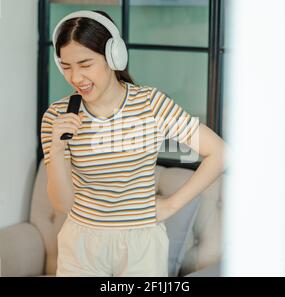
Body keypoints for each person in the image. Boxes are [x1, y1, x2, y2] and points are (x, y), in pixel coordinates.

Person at [40, 10, 226, 277]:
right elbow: (62, 204)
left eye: (85, 64)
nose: (76, 77)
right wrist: (57, 150)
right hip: (81, 244)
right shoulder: (57, 117)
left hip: (141, 244)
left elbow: (219, 153)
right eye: (66, 67)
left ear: (114, 56)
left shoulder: (151, 104)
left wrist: (172, 204)